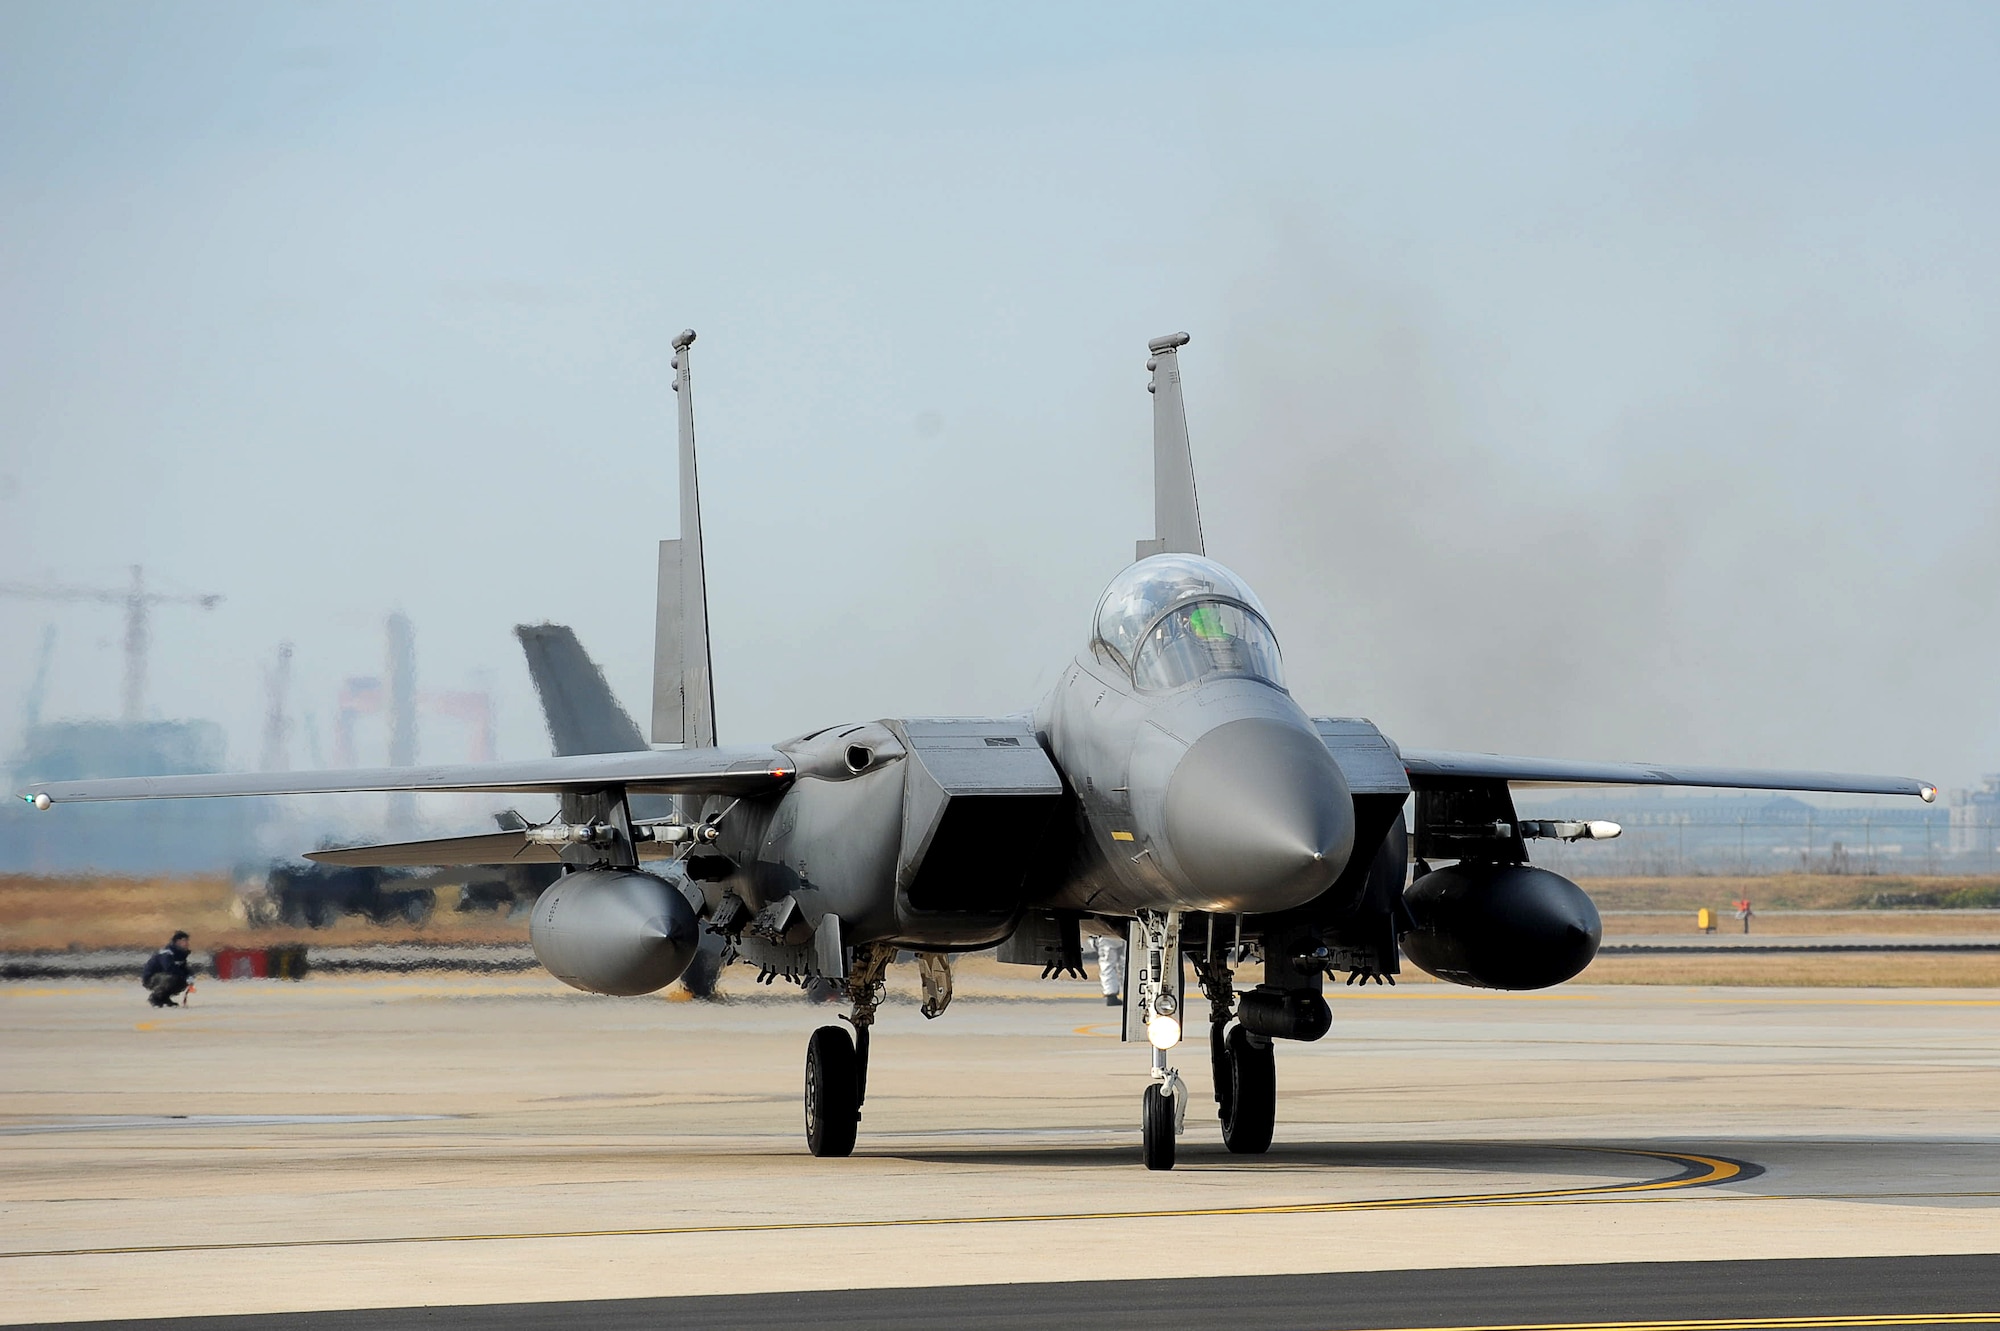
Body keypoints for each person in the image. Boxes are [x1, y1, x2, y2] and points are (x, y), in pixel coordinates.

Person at [141, 931, 195, 1008]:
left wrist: (190, 976)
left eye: (187, 941)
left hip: (163, 977)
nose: (187, 943)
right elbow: (169, 968)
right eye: (184, 941)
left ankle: (164, 998)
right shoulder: (166, 953)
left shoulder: (180, 954)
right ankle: (155, 998)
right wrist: (184, 976)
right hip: (151, 978)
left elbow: (184, 967)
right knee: (172, 978)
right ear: (177, 942)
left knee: (181, 981)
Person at [1095, 933, 1126, 1007]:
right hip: (1123, 933)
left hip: (1106, 935)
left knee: (1107, 965)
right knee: (1125, 964)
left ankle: (1111, 995)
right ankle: (1129, 991)